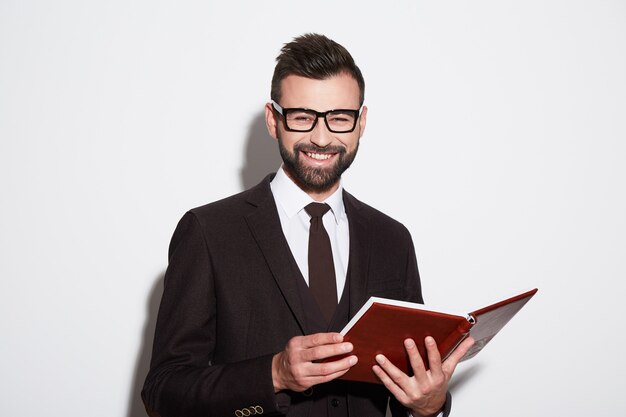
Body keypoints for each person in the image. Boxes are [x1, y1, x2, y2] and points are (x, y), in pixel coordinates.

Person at [142, 33, 474, 417]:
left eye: (339, 118)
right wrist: (274, 373)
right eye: (302, 117)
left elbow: (407, 387)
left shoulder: (392, 240)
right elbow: (162, 393)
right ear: (273, 120)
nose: (321, 137)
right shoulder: (208, 231)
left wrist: (428, 406)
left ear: (361, 122)